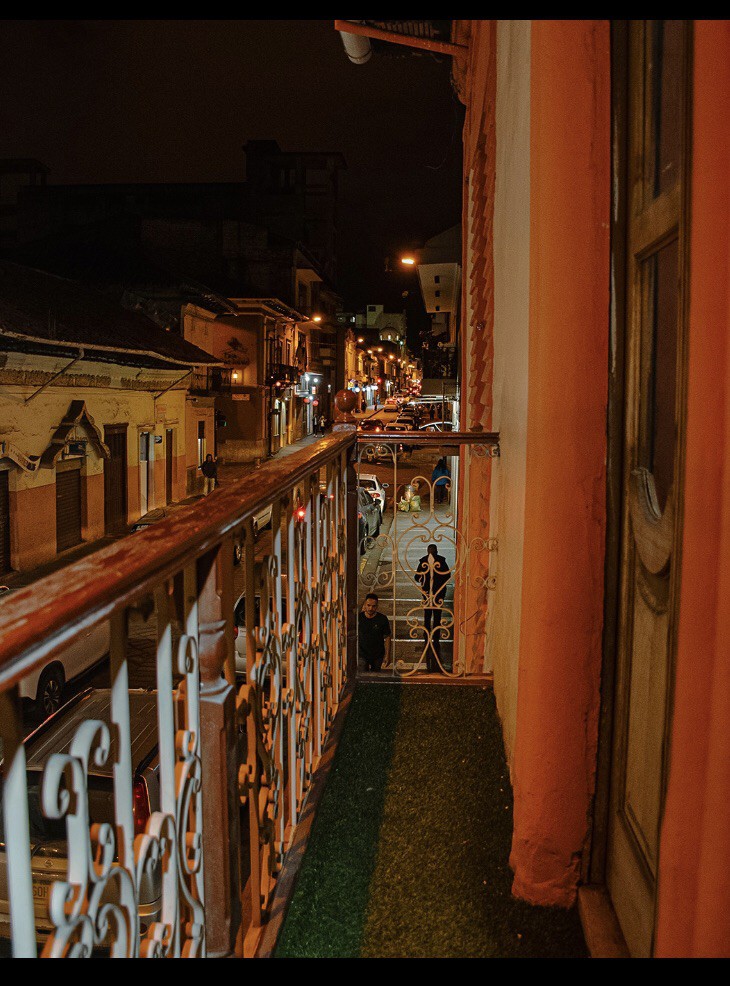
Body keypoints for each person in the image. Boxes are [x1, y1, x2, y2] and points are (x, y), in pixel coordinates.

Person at [415, 544, 451, 673]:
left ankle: (431, 633)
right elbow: (417, 576)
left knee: (433, 614)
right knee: (431, 613)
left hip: (436, 592)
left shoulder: (439, 561)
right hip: (430, 593)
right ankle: (430, 633)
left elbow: (447, 575)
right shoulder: (430, 561)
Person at [358, 593, 392, 672]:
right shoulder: (359, 618)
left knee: (375, 675)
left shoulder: (382, 619)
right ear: (365, 605)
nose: (370, 608)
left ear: (377, 606)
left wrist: (387, 655)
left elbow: (387, 636)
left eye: (373, 606)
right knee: (362, 676)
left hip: (377, 654)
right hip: (362, 653)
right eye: (368, 605)